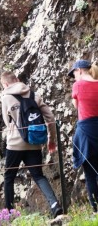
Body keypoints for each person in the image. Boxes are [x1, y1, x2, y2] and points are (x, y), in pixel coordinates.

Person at [0, 71, 63, 218]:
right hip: (34, 142)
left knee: (9, 176)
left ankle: (9, 214)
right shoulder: (34, 95)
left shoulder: (6, 98)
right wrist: (51, 139)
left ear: (6, 84)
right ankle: (54, 205)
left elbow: (6, 121)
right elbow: (51, 118)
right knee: (39, 176)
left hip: (15, 144)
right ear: (18, 79)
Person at [68, 59, 98, 213]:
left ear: (79, 70)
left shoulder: (78, 85)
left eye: (73, 73)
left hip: (86, 131)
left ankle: (96, 209)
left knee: (90, 174)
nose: (73, 77)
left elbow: (76, 106)